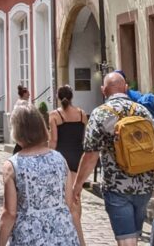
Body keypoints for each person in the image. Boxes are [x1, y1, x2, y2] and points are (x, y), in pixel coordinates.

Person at [72, 72, 154, 246]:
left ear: (104, 90)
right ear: (126, 88)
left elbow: (90, 155)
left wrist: (77, 185)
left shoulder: (100, 114)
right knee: (134, 236)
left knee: (127, 240)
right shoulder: (143, 111)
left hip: (116, 187)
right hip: (144, 187)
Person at [0, 105, 81, 246]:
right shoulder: (60, 159)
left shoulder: (12, 166)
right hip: (64, 235)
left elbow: (9, 214)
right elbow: (70, 206)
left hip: (29, 237)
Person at [49, 85, 87, 246]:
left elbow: (54, 141)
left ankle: (79, 239)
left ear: (58, 97)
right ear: (72, 97)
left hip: (62, 159)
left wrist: (48, 159)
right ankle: (73, 233)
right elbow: (84, 138)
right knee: (77, 198)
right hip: (78, 158)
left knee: (68, 201)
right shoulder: (81, 114)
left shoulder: (55, 115)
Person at [11, 84, 31, 154]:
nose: (29, 95)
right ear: (24, 94)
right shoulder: (24, 103)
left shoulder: (18, 102)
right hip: (23, 126)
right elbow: (27, 115)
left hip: (18, 126)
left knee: (21, 144)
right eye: (28, 93)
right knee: (22, 144)